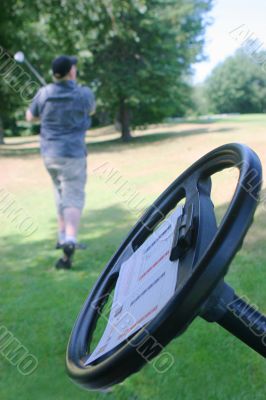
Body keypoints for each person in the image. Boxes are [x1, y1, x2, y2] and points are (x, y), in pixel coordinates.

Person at [26, 55, 96, 269]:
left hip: (50, 155)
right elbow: (91, 110)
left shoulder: (44, 93)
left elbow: (30, 117)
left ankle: (62, 238)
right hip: (72, 154)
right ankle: (70, 240)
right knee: (73, 197)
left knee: (60, 194)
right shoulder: (83, 93)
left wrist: (46, 112)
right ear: (71, 72)